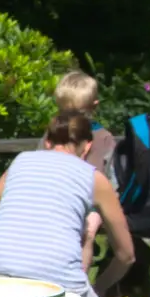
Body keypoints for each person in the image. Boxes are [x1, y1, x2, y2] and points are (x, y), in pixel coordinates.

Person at [0, 111, 136, 297]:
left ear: (47, 141)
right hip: (58, 284)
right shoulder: (94, 178)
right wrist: (99, 287)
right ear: (87, 146)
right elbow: (126, 255)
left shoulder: (21, 161)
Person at [54, 70, 116, 272]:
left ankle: (79, 285)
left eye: (79, 114)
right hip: (60, 198)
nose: (73, 120)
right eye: (67, 113)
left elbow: (112, 179)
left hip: (93, 203)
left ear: (93, 107)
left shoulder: (104, 138)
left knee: (87, 232)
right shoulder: (54, 135)